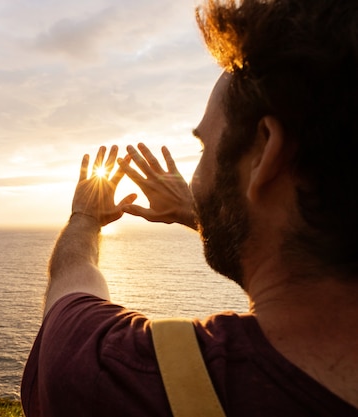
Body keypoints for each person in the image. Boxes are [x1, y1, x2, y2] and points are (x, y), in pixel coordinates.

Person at [21, 0, 358, 415]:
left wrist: (85, 218)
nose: (195, 178)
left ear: (264, 155)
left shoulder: (127, 376)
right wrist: (202, 215)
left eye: (203, 147)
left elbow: (68, 294)